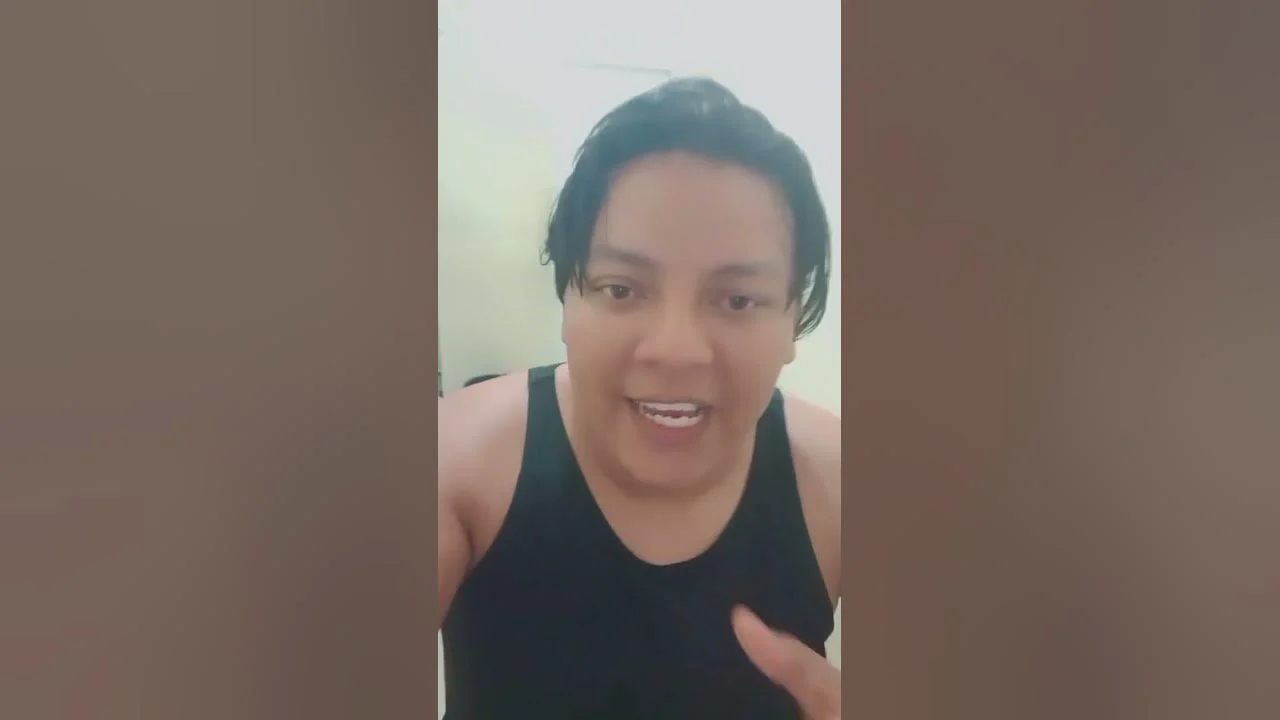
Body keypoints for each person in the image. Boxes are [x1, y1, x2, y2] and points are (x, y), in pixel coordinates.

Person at [438, 77, 841, 719]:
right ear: (568, 299)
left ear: (794, 319)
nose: (675, 350)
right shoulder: (456, 463)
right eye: (621, 289)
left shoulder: (842, 485)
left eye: (738, 299)